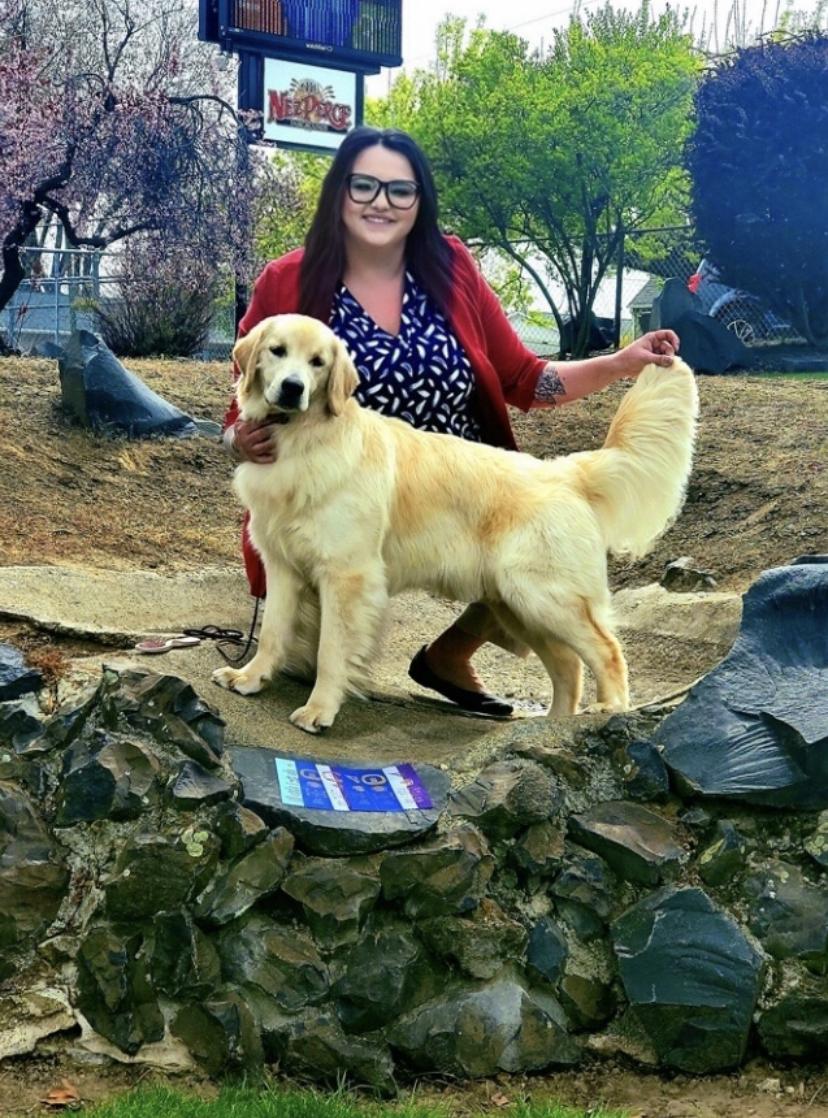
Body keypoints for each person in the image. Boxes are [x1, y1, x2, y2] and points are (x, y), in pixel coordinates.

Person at [222, 126, 680, 717]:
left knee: (523, 584)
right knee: (301, 661)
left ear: (420, 201)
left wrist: (620, 363)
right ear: (339, 191)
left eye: (400, 190)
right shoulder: (287, 279)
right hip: (325, 482)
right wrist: (237, 438)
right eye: (363, 186)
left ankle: (465, 659)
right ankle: (298, 661)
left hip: (462, 487)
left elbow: (525, 377)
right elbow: (246, 389)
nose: (381, 202)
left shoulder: (452, 268)